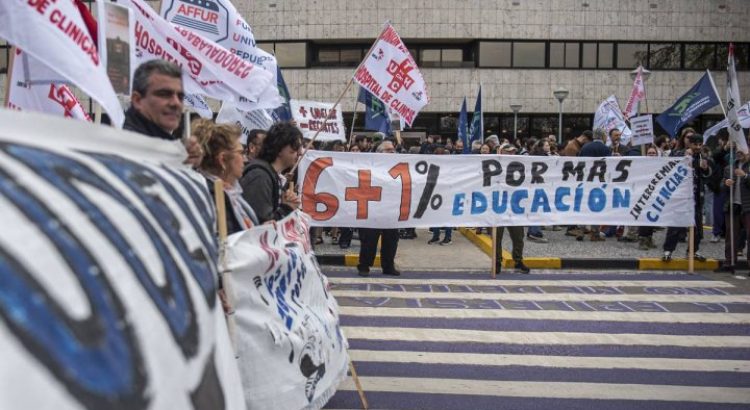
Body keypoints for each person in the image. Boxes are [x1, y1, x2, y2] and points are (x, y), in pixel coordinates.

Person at [124, 60, 202, 166]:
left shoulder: (166, 149)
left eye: (180, 97)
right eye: (164, 94)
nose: (176, 103)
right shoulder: (123, 150)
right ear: (137, 100)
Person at [193, 119, 258, 234]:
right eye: (240, 153)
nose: (244, 159)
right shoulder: (212, 197)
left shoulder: (230, 192)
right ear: (222, 160)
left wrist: (262, 230)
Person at [662, 132, 713, 262]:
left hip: (696, 197)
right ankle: (668, 251)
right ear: (689, 143)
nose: (698, 147)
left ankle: (693, 251)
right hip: (681, 197)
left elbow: (708, 176)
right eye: (695, 144)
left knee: (697, 228)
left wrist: (706, 169)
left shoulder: (702, 157)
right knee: (675, 226)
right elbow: (670, 166)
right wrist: (685, 157)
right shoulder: (680, 154)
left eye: (700, 144)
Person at [240, 121, 302, 223]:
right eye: (295, 147)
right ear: (280, 148)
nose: (300, 153)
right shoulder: (259, 176)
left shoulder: (270, 175)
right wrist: (287, 208)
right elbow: (261, 225)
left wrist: (284, 203)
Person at [358, 140, 401, 277]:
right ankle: (364, 265)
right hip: (373, 208)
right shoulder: (370, 165)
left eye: (393, 149)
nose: (392, 152)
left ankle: (388, 266)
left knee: (391, 239)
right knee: (369, 239)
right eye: (388, 150)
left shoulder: (400, 166)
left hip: (391, 208)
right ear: (379, 152)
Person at [715, 149, 750, 274]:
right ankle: (729, 262)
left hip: (747, 206)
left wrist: (745, 176)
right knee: (730, 235)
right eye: (738, 151)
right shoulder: (729, 168)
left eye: (742, 151)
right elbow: (721, 186)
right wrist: (725, 183)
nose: (739, 153)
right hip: (732, 205)